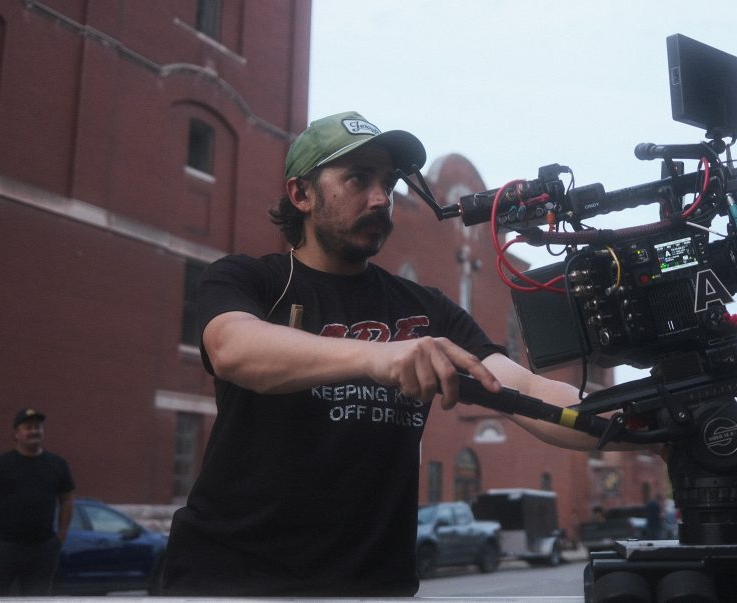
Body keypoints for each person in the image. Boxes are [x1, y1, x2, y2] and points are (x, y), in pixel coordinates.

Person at [158, 111, 650, 597]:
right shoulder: (251, 279)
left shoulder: (427, 309)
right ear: (301, 194)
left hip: (376, 586)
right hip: (229, 580)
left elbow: (526, 390)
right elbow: (231, 347)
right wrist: (377, 357)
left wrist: (651, 423)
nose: (380, 198)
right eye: (357, 178)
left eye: (389, 182)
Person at [0, 408, 75, 595]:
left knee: (37, 598)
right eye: (28, 427)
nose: (34, 431)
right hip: (1, 547)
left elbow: (66, 501)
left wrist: (61, 536)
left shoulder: (57, 464)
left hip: (42, 548)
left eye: (38, 427)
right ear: (16, 434)